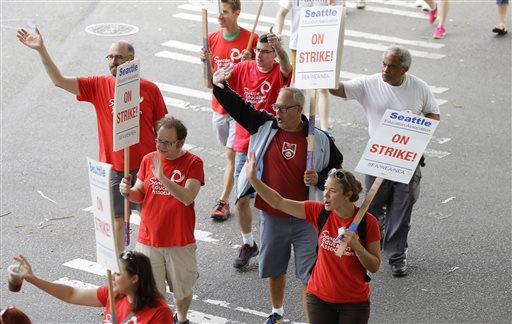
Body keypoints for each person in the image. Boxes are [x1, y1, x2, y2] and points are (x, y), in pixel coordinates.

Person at [16, 28, 168, 253]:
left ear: (131, 60)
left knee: (151, 220)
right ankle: (120, 274)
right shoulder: (98, 85)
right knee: (117, 222)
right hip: (115, 169)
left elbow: (161, 129)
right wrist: (41, 50)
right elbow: (59, 81)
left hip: (146, 168)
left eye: (118, 57)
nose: (113, 62)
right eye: (110, 57)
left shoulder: (150, 89)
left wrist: (164, 163)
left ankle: (151, 268)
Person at [212, 66, 343, 324]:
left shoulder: (320, 139)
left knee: (309, 275)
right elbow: (238, 108)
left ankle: (311, 320)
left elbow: (337, 168)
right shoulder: (265, 125)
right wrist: (219, 86)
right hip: (272, 215)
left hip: (307, 217)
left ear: (298, 110)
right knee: (274, 269)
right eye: (276, 107)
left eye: (282, 108)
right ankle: (277, 312)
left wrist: (321, 175)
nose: (276, 112)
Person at [329, 46, 440, 277]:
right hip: (378, 158)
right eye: (384, 64)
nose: (385, 70)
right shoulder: (370, 83)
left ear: (404, 69)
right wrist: (324, 75)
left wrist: (417, 131)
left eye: (391, 66)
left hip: (407, 160)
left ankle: (397, 256)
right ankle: (372, 242)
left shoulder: (419, 88)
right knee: (373, 206)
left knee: (401, 210)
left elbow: (433, 114)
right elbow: (338, 90)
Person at [246, 152, 381, 324]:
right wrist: (253, 180)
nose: (325, 195)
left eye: (332, 191)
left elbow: (374, 266)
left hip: (354, 303)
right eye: (325, 188)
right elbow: (278, 202)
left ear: (347, 194)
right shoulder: (319, 212)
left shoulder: (368, 223)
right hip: (318, 297)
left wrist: (357, 248)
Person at [120, 117, 204, 324]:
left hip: (179, 239)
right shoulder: (149, 159)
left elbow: (187, 197)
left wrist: (163, 179)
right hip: (149, 238)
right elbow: (140, 192)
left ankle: (182, 318)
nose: (161, 146)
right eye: (159, 141)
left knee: (182, 291)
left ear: (181, 143)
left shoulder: (194, 163)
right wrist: (128, 192)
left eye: (167, 143)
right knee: (152, 294)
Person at [222, 31, 292, 269]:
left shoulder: (279, 72)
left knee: (268, 198)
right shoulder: (244, 67)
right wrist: (208, 63)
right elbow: (220, 83)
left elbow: (286, 65)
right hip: (244, 143)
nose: (260, 56)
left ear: (274, 55)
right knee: (241, 197)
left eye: (265, 52)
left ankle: (272, 243)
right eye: (257, 51)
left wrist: (281, 49)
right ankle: (248, 243)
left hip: (271, 143)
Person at [200, 0, 259, 221]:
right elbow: (209, 83)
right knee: (230, 150)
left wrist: (250, 62)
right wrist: (206, 64)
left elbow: (259, 76)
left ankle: (224, 200)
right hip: (219, 106)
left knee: (231, 154)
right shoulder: (213, 38)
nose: (219, 16)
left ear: (237, 13)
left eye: (224, 12)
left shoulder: (251, 39)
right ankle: (251, 176)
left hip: (239, 108)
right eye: (218, 12)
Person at [12, 251, 173, 323]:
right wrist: (34, 280)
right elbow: (71, 294)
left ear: (134, 278)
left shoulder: (160, 313)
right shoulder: (114, 293)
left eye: (117, 273)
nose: (111, 277)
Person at [275, 0, 336, 135]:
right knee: (301, 90)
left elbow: (334, 13)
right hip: (299, 46)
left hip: (323, 44)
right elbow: (281, 13)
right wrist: (278, 33)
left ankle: (326, 129)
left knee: (323, 87)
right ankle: (300, 126)